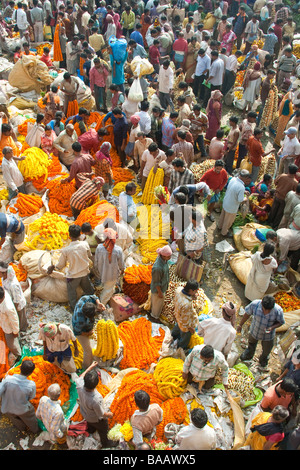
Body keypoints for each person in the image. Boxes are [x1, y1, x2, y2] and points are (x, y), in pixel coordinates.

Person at [47, 225, 95, 311]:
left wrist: (53, 267)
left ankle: (74, 309)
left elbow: (60, 265)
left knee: (72, 293)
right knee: (89, 290)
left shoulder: (66, 250)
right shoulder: (85, 244)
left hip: (73, 276)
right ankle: (93, 304)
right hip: (84, 272)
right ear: (80, 235)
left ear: (70, 236)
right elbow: (89, 255)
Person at [75, 361, 117, 448]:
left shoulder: (79, 385)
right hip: (96, 419)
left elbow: (82, 376)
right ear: (96, 384)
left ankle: (91, 430)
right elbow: (101, 414)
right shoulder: (96, 398)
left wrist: (90, 366)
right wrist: (110, 414)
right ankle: (105, 443)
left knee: (90, 424)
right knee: (103, 429)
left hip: (85, 413)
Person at [237, 295, 285, 368]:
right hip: (255, 330)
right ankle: (248, 354)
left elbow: (281, 322)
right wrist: (240, 325)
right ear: (261, 304)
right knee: (251, 344)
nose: (266, 311)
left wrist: (272, 327)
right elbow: (247, 314)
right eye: (264, 309)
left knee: (266, 350)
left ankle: (263, 360)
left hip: (268, 335)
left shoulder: (278, 310)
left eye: (268, 310)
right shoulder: (255, 304)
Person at [0, 359, 39, 433]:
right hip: (22, 410)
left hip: (6, 408)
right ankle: (35, 430)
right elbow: (31, 397)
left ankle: (22, 428)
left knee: (14, 419)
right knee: (30, 418)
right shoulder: (31, 385)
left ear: (20, 368)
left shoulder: (7, 379)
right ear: (31, 373)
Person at [72, 295, 105, 369]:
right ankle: (86, 368)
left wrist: (98, 303)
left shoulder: (84, 300)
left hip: (87, 327)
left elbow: (94, 296)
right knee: (88, 351)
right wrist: (87, 333)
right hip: (81, 331)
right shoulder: (79, 321)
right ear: (86, 316)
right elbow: (77, 332)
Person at [94, 228, 125, 306]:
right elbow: (121, 264)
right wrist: (122, 270)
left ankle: (105, 298)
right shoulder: (118, 250)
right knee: (107, 290)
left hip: (101, 272)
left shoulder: (99, 247)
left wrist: (97, 271)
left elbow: (96, 262)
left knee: (107, 287)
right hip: (112, 274)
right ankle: (101, 305)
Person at [218, 169, 250, 237]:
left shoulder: (233, 179)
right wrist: (246, 198)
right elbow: (240, 200)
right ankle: (224, 232)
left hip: (226, 202)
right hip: (232, 207)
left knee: (222, 216)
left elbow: (234, 189)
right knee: (228, 221)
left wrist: (243, 192)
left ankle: (219, 227)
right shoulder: (241, 187)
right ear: (246, 178)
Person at [268, 164, 299, 230]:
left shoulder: (282, 176)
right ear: (295, 173)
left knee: (273, 210)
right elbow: (294, 192)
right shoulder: (295, 182)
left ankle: (268, 222)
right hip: (284, 200)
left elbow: (275, 182)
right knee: (279, 214)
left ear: (288, 170)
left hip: (277, 196)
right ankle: (274, 226)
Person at [171, 279, 199, 351]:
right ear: (191, 290)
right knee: (185, 337)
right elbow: (185, 321)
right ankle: (180, 347)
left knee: (177, 327)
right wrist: (190, 329)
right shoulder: (186, 305)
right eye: (195, 291)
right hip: (184, 325)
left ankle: (172, 336)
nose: (196, 292)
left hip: (177, 315)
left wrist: (191, 297)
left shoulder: (178, 289)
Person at [0, 262, 27, 332]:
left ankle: (22, 330)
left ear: (4, 273)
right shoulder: (4, 279)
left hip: (18, 306)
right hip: (11, 301)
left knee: (20, 319)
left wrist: (13, 309)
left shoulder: (13, 285)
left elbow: (17, 300)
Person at [149, 244, 172, 321]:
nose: (170, 258)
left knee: (157, 304)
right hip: (158, 290)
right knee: (156, 306)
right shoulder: (157, 268)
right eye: (169, 256)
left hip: (162, 287)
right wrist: (159, 292)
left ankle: (155, 315)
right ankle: (154, 317)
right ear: (164, 256)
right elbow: (156, 282)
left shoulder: (164, 260)